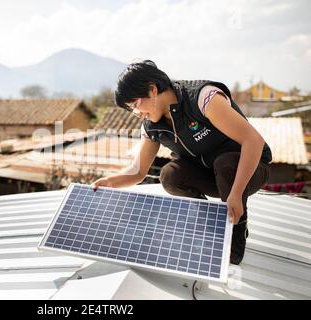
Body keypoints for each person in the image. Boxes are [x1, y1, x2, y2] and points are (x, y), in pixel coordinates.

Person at [91, 60, 271, 265]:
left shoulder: (203, 98)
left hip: (250, 169)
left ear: (152, 90)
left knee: (225, 163)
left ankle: (235, 242)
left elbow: (253, 141)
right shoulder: (152, 126)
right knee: (170, 175)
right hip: (211, 175)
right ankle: (213, 227)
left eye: (135, 105)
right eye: (131, 110)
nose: (137, 113)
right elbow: (137, 171)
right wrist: (110, 182)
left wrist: (237, 193)